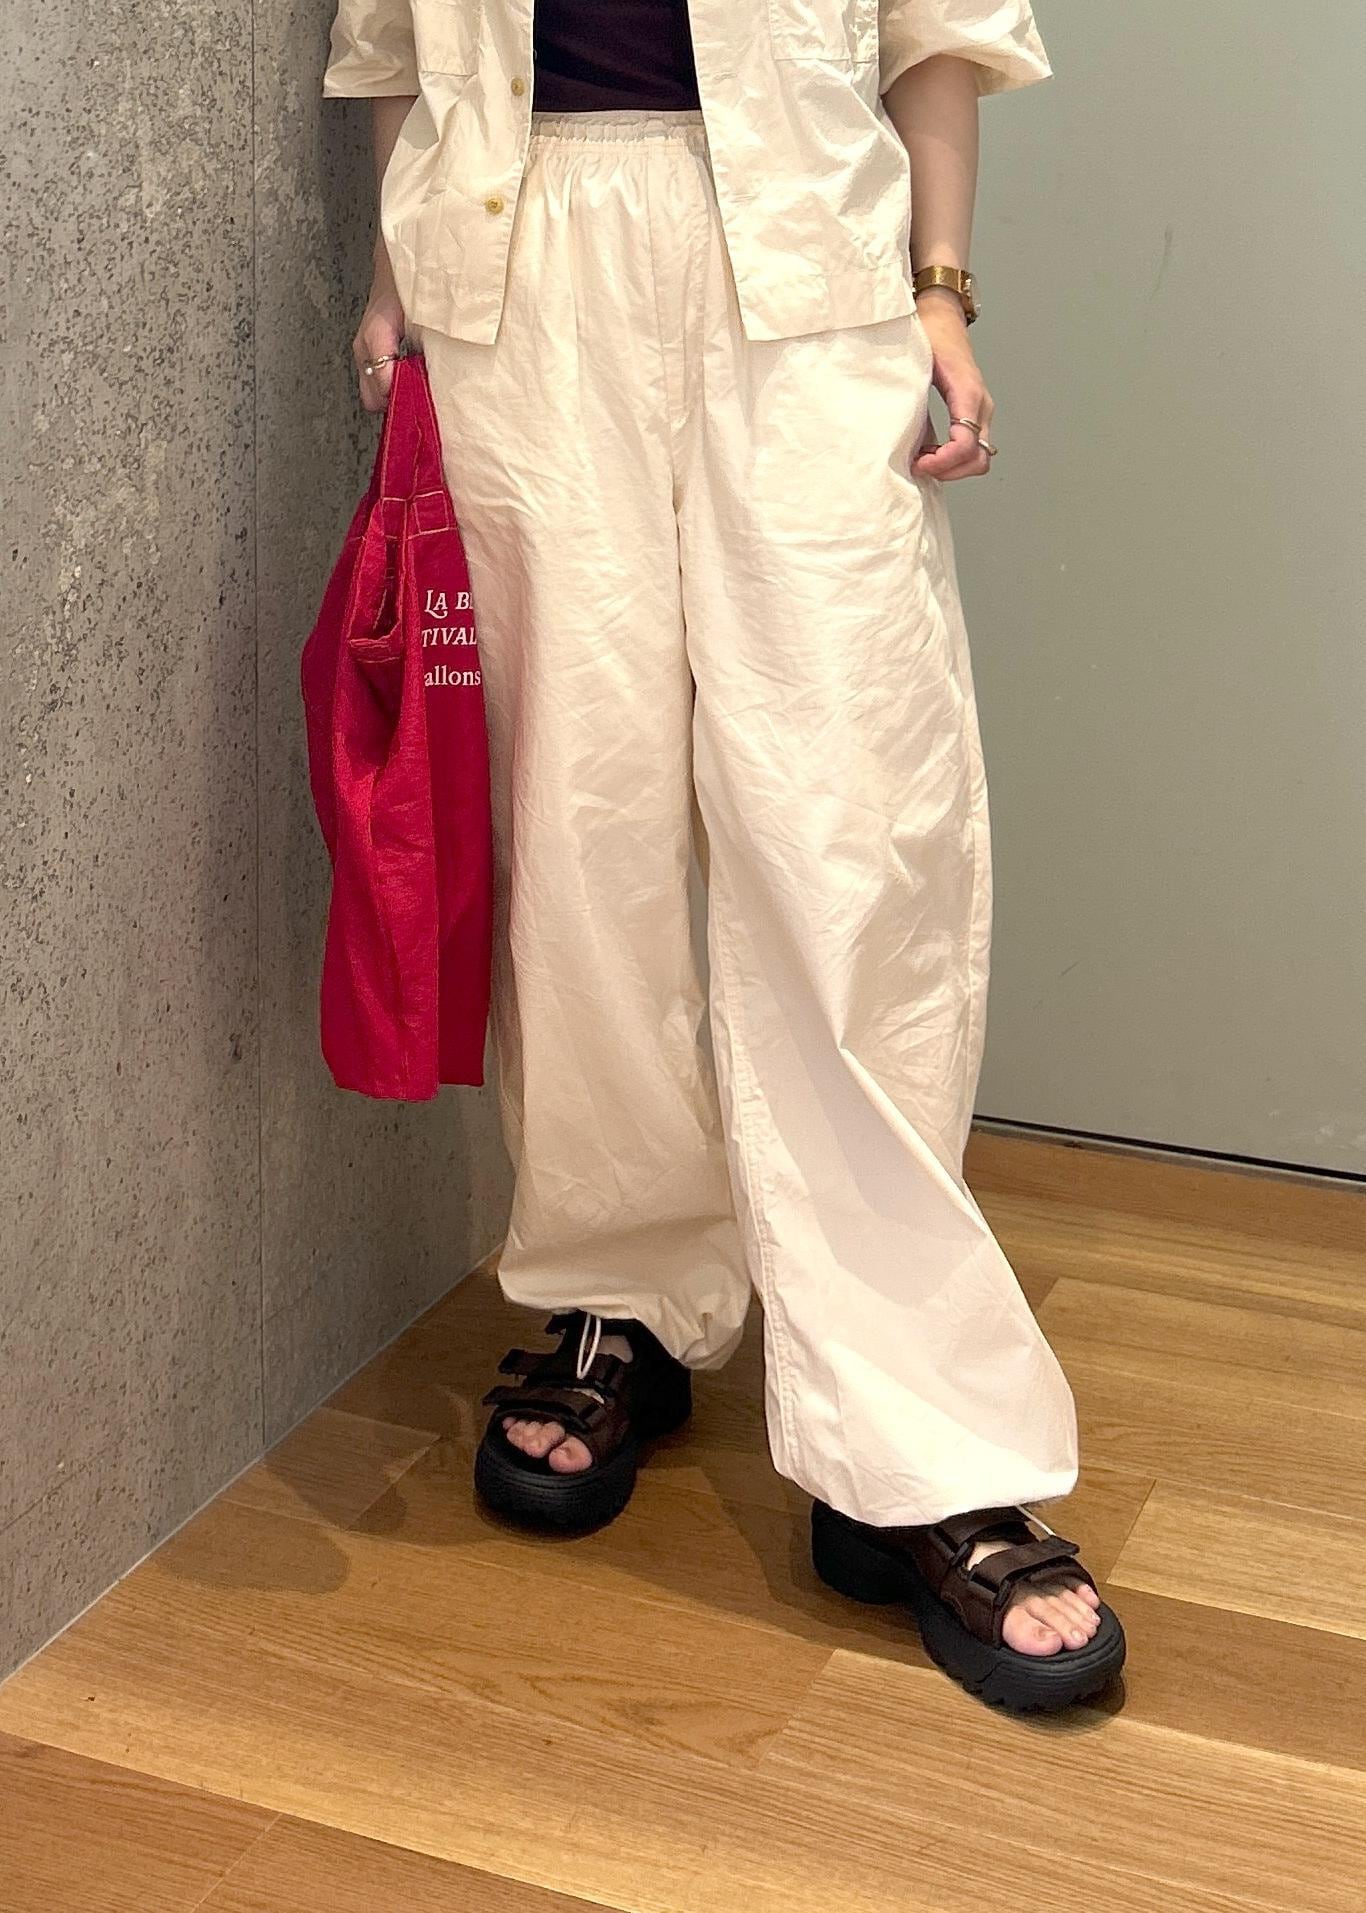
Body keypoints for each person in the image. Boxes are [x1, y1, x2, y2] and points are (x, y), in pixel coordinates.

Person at [323, 0, 1126, 1714]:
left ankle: (911, 1431)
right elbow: (393, 48)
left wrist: (941, 287)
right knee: (574, 838)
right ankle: (618, 1285)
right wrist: (396, 290)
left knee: (851, 845)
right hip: (511, 274)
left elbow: (934, 27)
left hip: (805, 257)